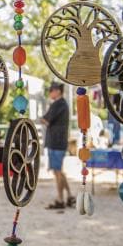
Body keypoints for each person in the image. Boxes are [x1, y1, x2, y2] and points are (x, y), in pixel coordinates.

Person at [42, 82, 73, 210]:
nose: (50, 93)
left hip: (56, 141)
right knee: (59, 170)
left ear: (57, 91)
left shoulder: (58, 104)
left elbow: (46, 120)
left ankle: (60, 199)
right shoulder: (62, 104)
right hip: (58, 141)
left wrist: (42, 119)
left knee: (57, 171)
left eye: (51, 90)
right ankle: (70, 196)